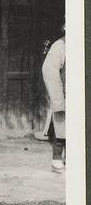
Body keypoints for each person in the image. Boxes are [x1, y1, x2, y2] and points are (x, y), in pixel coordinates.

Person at [41, 23, 65, 173]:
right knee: (62, 126)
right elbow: (50, 72)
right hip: (66, 92)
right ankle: (57, 158)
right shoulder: (60, 46)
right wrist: (57, 98)